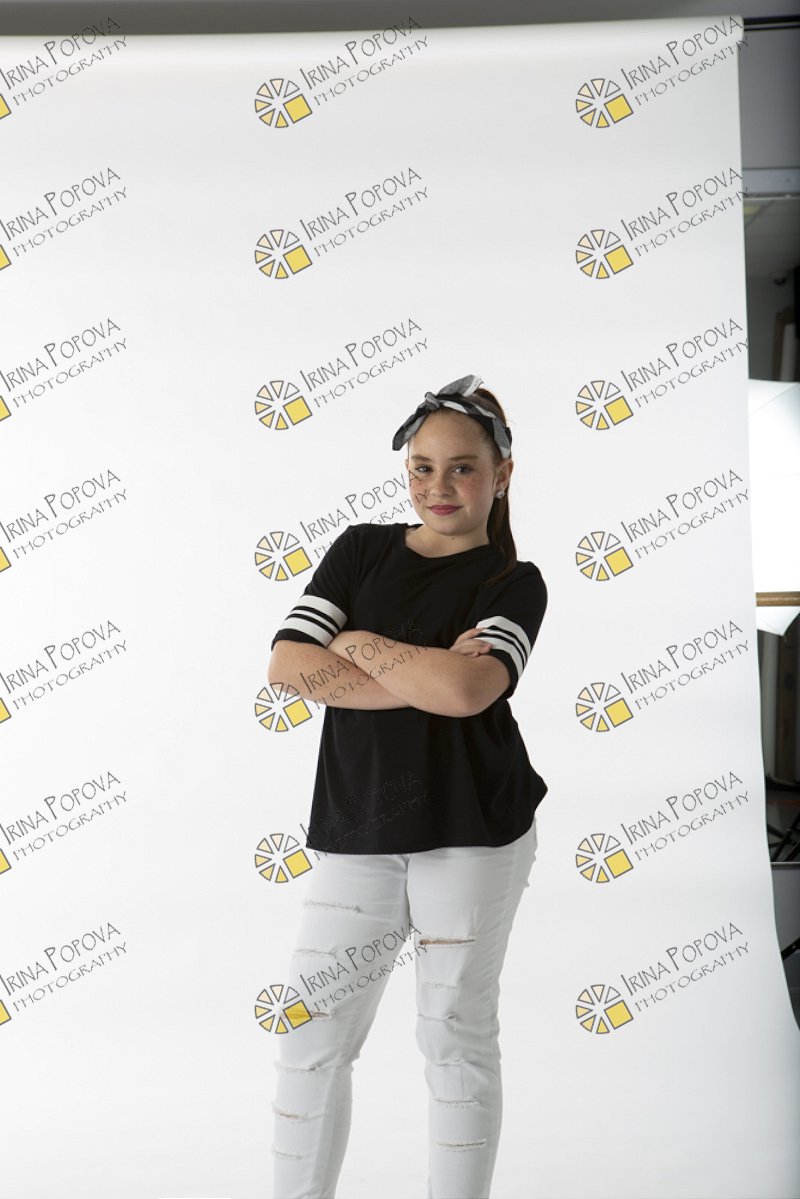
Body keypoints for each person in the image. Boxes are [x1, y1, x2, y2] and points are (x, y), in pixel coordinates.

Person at [267, 373, 549, 1199]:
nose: (439, 485)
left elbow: (468, 692)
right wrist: (420, 671)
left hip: (473, 830)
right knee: (310, 1033)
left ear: (501, 473)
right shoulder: (361, 548)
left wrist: (354, 642)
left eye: (462, 467)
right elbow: (287, 665)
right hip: (358, 825)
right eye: (422, 467)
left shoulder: (514, 582)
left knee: (453, 1035)